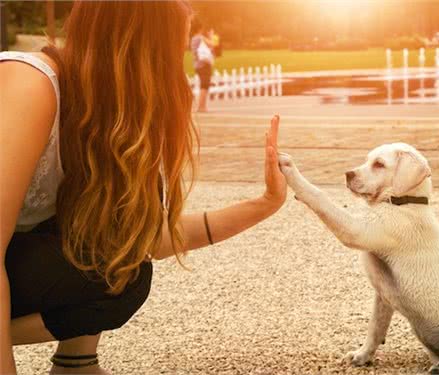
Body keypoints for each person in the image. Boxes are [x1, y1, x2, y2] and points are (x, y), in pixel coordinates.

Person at [0, 2, 286, 374]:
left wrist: (264, 204)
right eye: (172, 52)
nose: (179, 65)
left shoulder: (106, 118)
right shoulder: (31, 85)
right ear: (137, 47)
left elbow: (147, 240)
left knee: (123, 273)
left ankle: (76, 365)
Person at [190, 20, 215, 112]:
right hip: (204, 64)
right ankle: (202, 107)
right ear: (200, 29)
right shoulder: (200, 38)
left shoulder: (193, 39)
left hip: (197, 65)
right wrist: (211, 36)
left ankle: (202, 106)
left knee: (203, 85)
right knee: (204, 85)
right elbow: (212, 44)